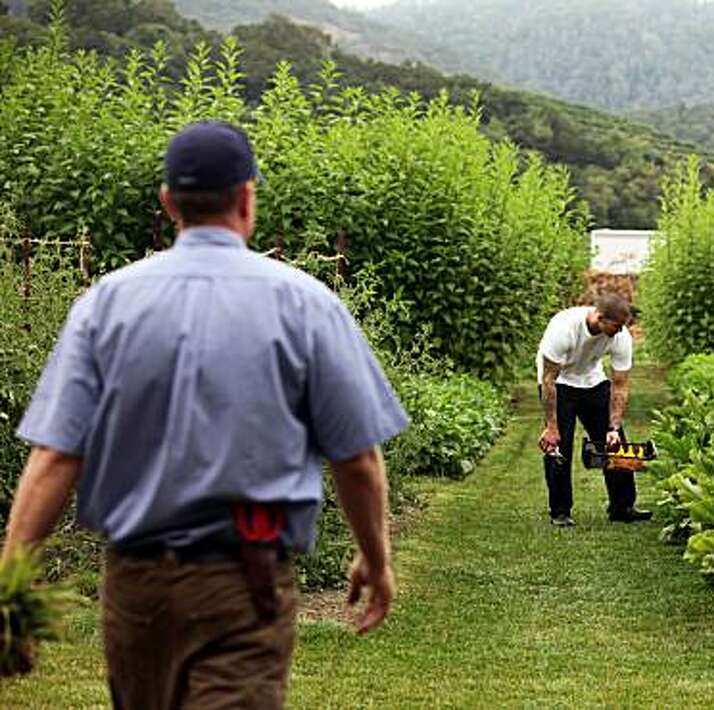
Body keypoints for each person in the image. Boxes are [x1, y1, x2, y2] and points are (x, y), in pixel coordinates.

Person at [1, 120, 409, 708]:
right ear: (248, 197)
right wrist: (376, 559)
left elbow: (57, 454)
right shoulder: (306, 304)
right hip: (243, 584)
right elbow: (357, 460)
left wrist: (12, 576)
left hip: (134, 588)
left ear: (169, 203)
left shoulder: (105, 305)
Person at [536, 294, 652, 527]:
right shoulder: (564, 328)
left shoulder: (621, 336)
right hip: (559, 383)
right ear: (600, 318)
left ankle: (622, 506)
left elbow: (619, 385)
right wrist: (551, 426)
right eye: (616, 326)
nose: (620, 332)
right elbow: (548, 379)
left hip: (592, 381)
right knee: (559, 446)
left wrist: (613, 427)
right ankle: (560, 511)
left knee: (616, 443)